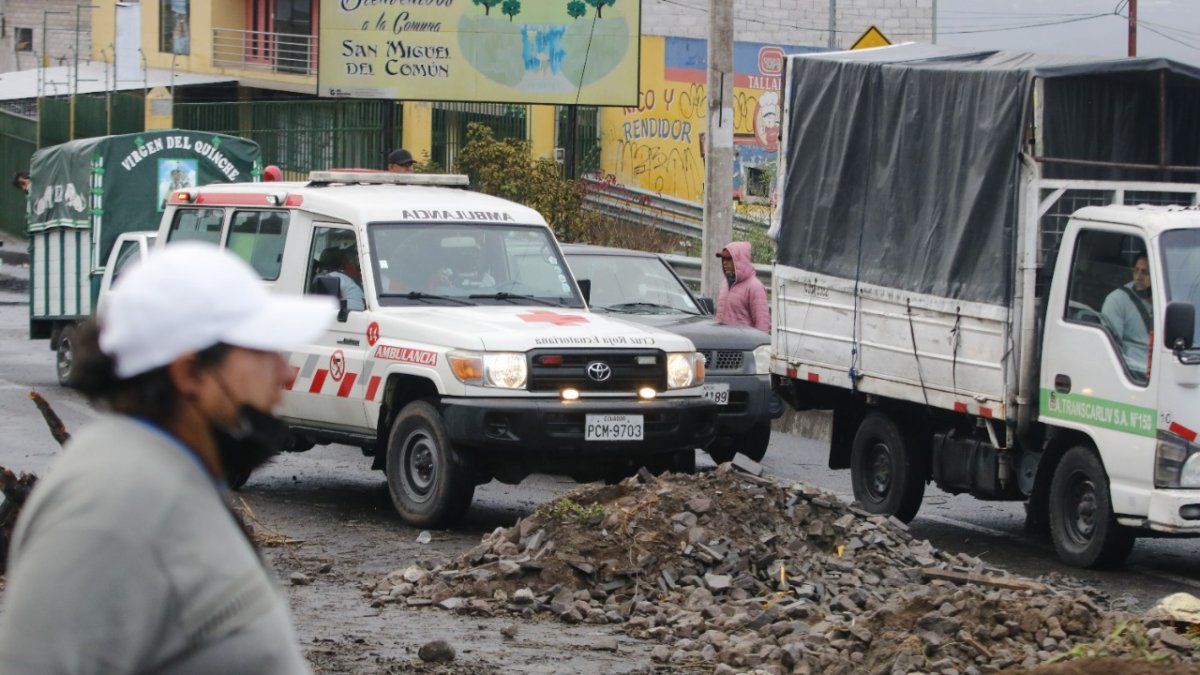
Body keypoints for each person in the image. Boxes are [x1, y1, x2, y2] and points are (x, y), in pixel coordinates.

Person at [0, 242, 333, 673]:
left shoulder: (168, 476)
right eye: (261, 351)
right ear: (189, 372)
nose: (286, 371)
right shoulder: (110, 510)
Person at [1101, 252, 1153, 379]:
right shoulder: (1116, 300)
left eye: (1145, 272)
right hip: (1134, 371)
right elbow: (1111, 348)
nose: (1139, 277)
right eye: (1136, 271)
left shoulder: (1167, 300)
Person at [715, 241, 770, 333]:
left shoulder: (755, 287)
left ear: (740, 260)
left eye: (729, 259)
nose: (724, 263)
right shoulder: (725, 283)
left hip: (744, 344)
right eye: (723, 259)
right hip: (722, 342)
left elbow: (762, 324)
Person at [318, 246, 366, 310]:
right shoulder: (334, 278)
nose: (358, 266)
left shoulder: (346, 278)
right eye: (351, 261)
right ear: (343, 264)